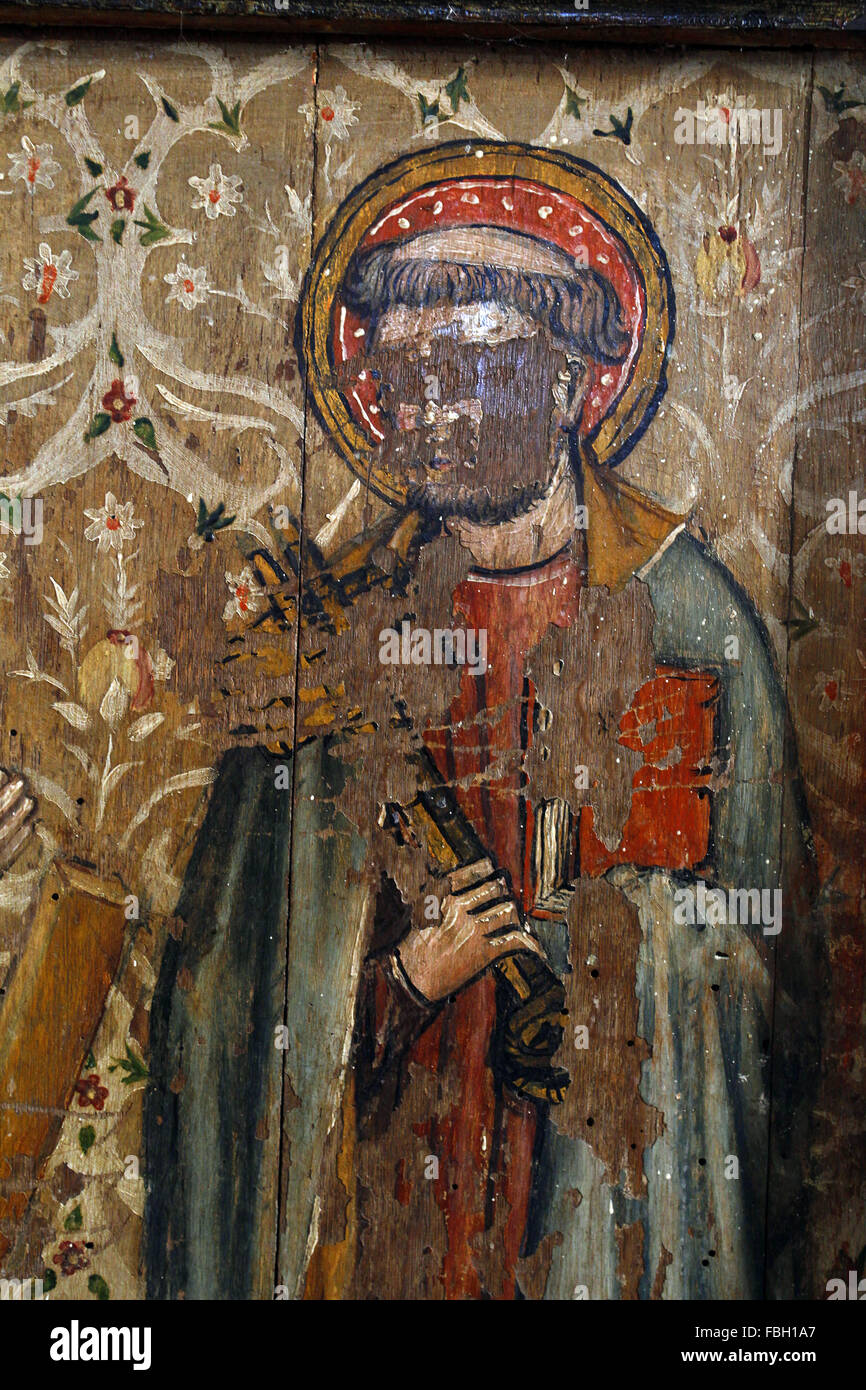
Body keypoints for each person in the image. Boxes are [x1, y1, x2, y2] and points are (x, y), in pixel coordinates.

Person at [144, 161, 817, 1301]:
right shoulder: (325, 645)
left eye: (469, 368)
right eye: (406, 378)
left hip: (611, 1216)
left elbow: (774, 973)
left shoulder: (692, 625)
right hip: (392, 1219)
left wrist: (626, 971)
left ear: (565, 384)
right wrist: (406, 977)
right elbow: (221, 1022)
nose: (433, 412)